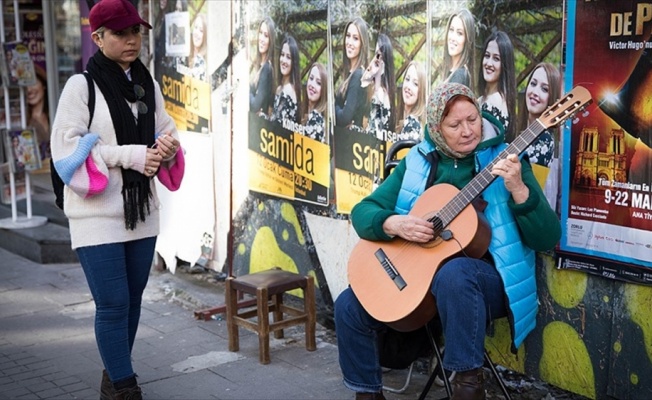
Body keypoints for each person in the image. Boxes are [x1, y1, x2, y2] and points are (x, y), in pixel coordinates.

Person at [335, 82, 561, 400]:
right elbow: (363, 211)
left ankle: (467, 388)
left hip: (490, 282)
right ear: (437, 129)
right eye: (455, 125)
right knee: (348, 305)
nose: (468, 130)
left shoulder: (508, 159)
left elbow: (547, 238)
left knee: (455, 274)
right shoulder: (417, 160)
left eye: (473, 119)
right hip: (421, 280)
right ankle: (368, 395)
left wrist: (519, 189)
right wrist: (393, 222)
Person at [50, 0, 185, 398]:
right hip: (97, 215)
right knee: (112, 304)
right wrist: (133, 154)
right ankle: (126, 387)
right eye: (121, 33)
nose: (131, 40)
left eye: (136, 32)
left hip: (141, 211)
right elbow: (65, 151)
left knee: (132, 301)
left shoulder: (147, 83)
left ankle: (113, 375)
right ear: (97, 38)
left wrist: (165, 146)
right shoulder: (81, 86)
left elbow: (167, 128)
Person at [518, 62, 562, 210]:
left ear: (553, 98)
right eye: (533, 84)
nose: (535, 92)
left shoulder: (544, 141)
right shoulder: (520, 132)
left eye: (544, 89)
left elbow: (531, 194)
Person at [477, 31, 516, 141]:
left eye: (496, 59)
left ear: (505, 65)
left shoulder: (495, 101)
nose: (489, 63)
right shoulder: (481, 100)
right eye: (487, 56)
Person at [335, 17, 370, 131]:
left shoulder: (358, 75)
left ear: (362, 44)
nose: (349, 42)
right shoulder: (350, 73)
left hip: (351, 142)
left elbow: (345, 118)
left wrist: (332, 106)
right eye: (348, 36)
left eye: (355, 38)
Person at [362, 33, 395, 140]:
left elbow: (375, 129)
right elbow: (363, 81)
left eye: (379, 55)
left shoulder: (382, 92)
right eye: (376, 55)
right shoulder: (380, 90)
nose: (376, 59)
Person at [270, 34, 301, 124]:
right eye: (282, 55)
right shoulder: (279, 88)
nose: (283, 60)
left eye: (288, 57)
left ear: (294, 62)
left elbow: (277, 124)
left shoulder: (289, 90)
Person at [440, 8, 475, 88]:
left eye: (459, 33)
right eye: (451, 30)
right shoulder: (452, 73)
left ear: (467, 40)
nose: (453, 37)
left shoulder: (460, 75)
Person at [249, 16, 276, 116]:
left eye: (266, 35)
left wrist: (245, 91)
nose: (261, 39)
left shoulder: (266, 69)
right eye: (260, 33)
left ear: (271, 41)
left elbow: (255, 105)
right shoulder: (259, 65)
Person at [395, 60, 426, 141]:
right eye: (407, 79)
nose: (408, 86)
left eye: (415, 84)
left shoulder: (413, 124)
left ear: (421, 92)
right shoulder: (401, 118)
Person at [27, 66, 50, 161]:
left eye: (33, 83)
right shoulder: (23, 121)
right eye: (25, 86)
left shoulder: (54, 115)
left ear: (43, 85)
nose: (29, 90)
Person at [303, 62, 328, 143]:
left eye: (318, 83)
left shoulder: (316, 119)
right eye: (311, 78)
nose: (312, 85)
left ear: (323, 90)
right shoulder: (305, 112)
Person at [187, 13, 207, 81]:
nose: (196, 33)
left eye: (201, 31)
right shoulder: (186, 53)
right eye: (195, 27)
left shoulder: (202, 61)